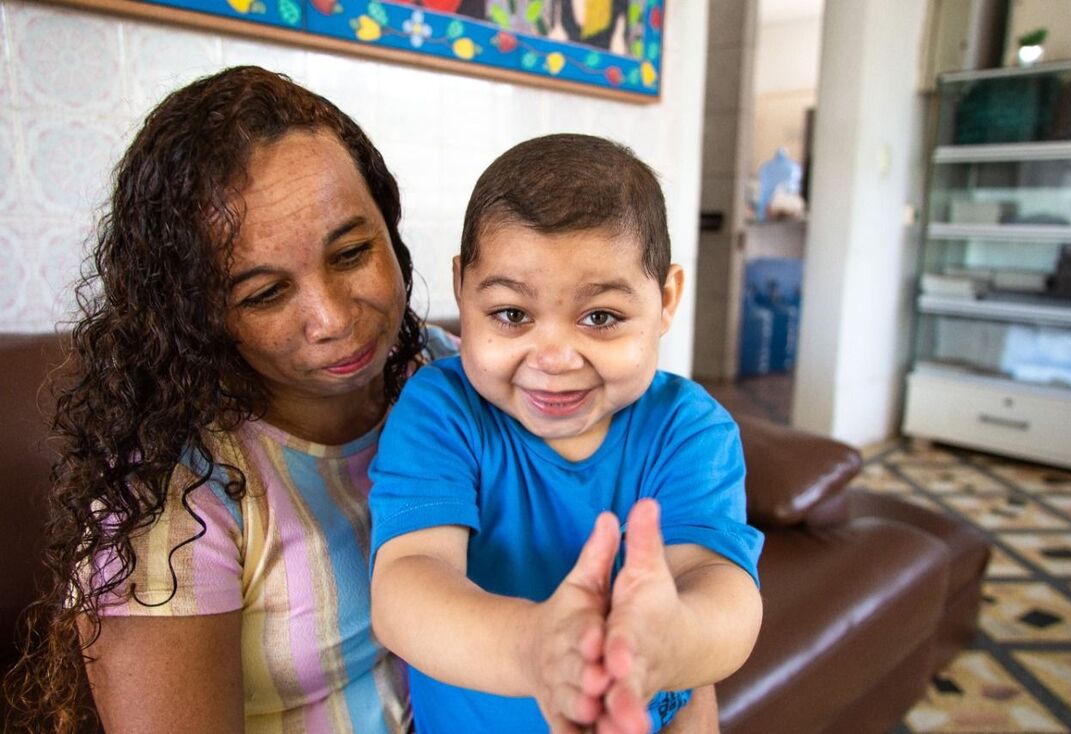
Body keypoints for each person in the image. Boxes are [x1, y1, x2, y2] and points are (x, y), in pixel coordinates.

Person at [3, 68, 718, 734]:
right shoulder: (172, 504)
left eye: (350, 253)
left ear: (390, 228)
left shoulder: (461, 376)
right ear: (196, 312)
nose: (334, 317)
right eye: (265, 293)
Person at [369, 134, 765, 733]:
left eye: (600, 317)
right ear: (461, 289)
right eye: (511, 314)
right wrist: (534, 647)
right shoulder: (442, 411)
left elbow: (722, 589)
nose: (553, 357)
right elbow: (405, 586)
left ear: (665, 301)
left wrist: (670, 642)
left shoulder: (690, 431)